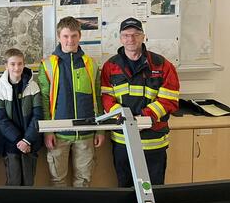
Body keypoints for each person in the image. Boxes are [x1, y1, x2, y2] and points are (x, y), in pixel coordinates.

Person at [101, 17, 180, 187]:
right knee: (126, 190)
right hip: (124, 140)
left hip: (153, 140)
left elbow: (170, 99)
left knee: (154, 191)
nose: (131, 39)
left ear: (143, 36)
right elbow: (106, 97)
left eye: (136, 34)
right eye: (126, 35)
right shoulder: (110, 66)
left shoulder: (162, 65)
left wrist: (145, 117)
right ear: (121, 38)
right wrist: (122, 114)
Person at [38, 16, 104, 187]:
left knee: (83, 181)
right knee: (58, 181)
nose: (70, 40)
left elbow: (97, 96)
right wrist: (47, 131)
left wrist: (101, 130)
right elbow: (44, 100)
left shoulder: (91, 63)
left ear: (80, 36)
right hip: (58, 134)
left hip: (86, 133)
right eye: (66, 36)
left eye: (74, 36)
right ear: (59, 37)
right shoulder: (47, 65)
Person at [0, 48, 42, 186]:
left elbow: (37, 116)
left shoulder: (33, 86)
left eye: (20, 64)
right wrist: (17, 140)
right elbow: (1, 119)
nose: (17, 67)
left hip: (30, 141)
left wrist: (27, 140)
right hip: (10, 142)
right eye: (13, 64)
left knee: (28, 182)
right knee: (13, 181)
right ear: (6, 66)